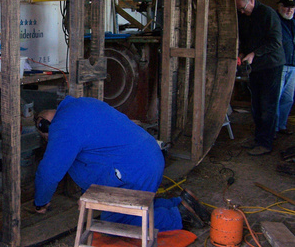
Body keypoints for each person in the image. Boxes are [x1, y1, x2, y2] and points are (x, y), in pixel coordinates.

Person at [33, 95, 210, 231]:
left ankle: (179, 216)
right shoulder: (82, 105)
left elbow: (49, 172)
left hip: (134, 169)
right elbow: (96, 158)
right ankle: (180, 203)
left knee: (116, 222)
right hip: (147, 157)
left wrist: (41, 202)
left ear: (44, 125)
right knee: (134, 205)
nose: (50, 141)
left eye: (46, 138)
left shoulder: (62, 127)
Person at [235, 0, 285, 156]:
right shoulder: (244, 16)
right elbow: (245, 39)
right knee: (256, 105)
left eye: (243, 8)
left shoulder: (268, 14)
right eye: (239, 10)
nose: (241, 12)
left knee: (267, 105)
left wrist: (255, 53)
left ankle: (266, 143)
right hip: (255, 67)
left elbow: (275, 41)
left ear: (250, 1)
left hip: (271, 65)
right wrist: (242, 53)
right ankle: (259, 138)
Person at [276, 0, 295, 136]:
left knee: (288, 99)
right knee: (275, 97)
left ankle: (281, 125)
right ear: (279, 6)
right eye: (286, 7)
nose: (289, 10)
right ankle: (273, 128)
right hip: (279, 65)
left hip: (293, 66)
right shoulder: (275, 21)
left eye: (292, 7)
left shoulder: (294, 22)